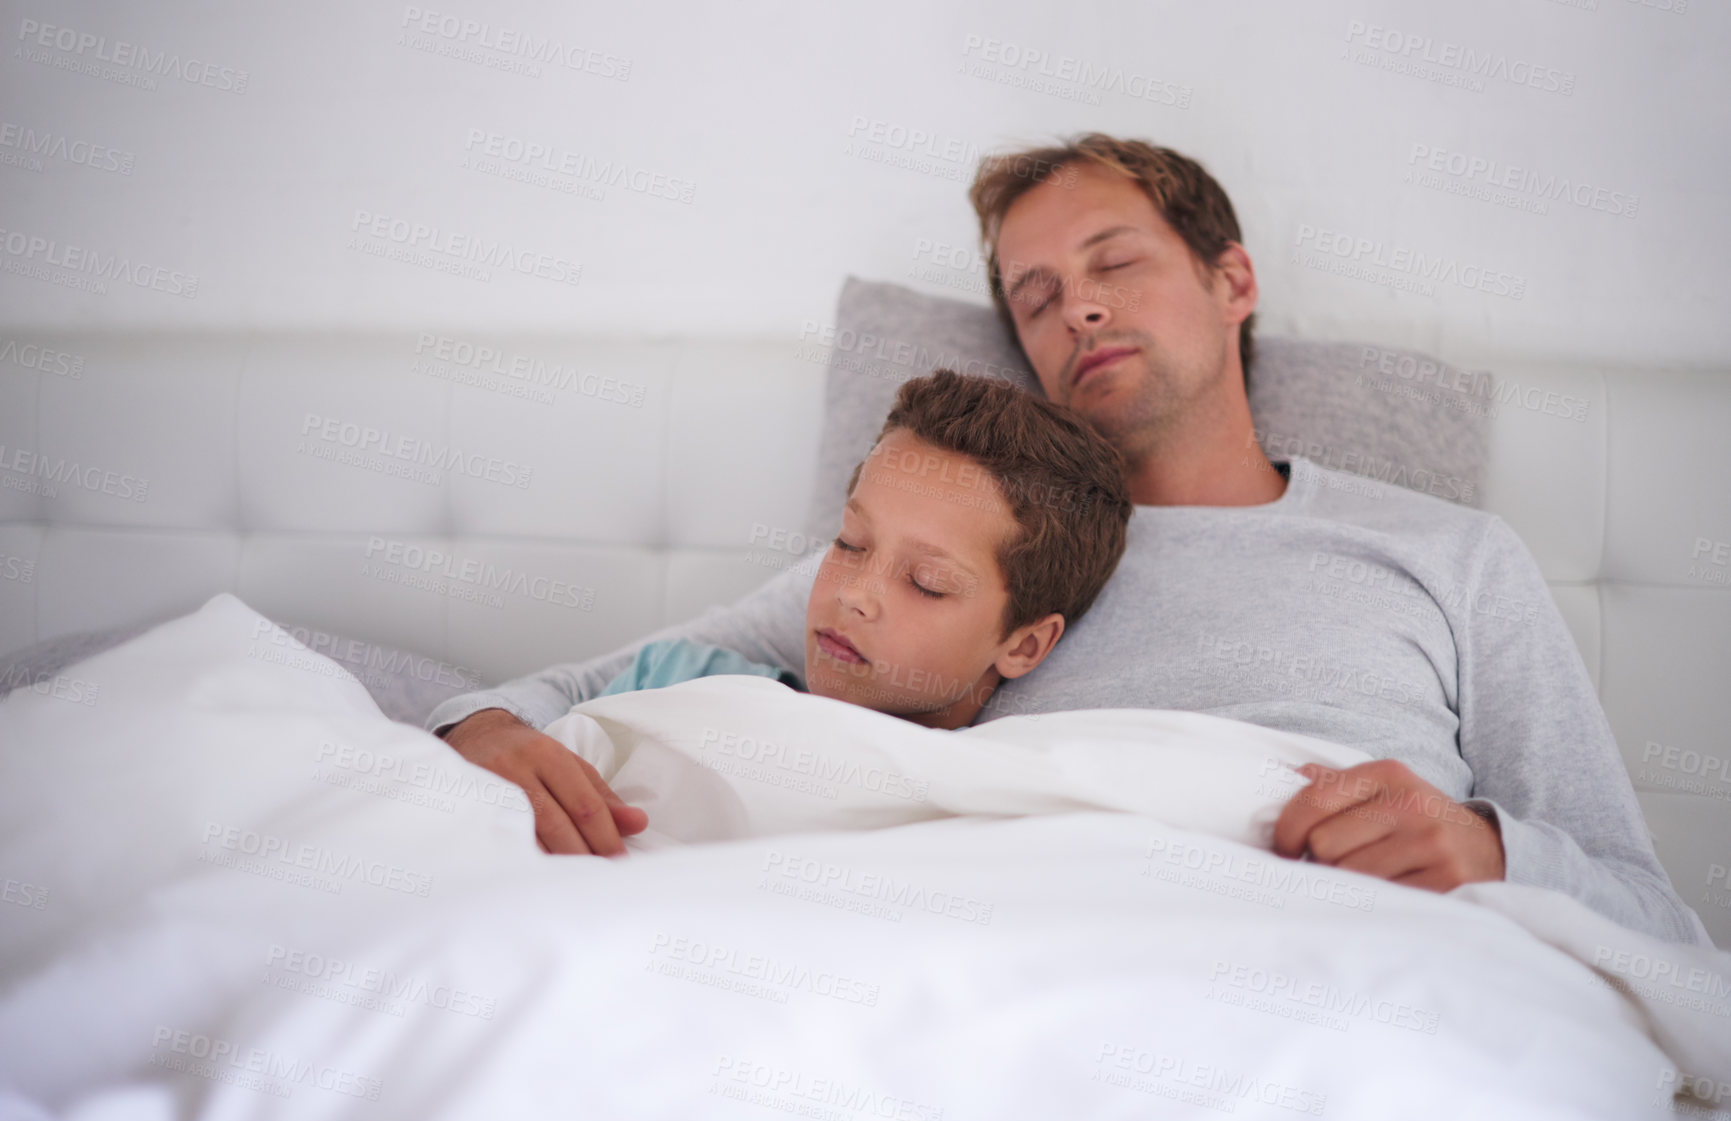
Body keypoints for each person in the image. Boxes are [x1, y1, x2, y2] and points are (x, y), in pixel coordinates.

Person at [431, 133, 1707, 946]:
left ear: (1231, 281)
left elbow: (1650, 917)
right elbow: (594, 696)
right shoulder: (951, 555)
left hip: (1344, 952)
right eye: (1035, 297)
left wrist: (1487, 847)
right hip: (1009, 948)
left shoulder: (1450, 556)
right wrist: (481, 730)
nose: (1076, 304)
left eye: (1116, 262)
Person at [577, 368, 1131, 736]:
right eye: (850, 543)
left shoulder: (987, 805)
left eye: (926, 582)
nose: (855, 592)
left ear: (1025, 643)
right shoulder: (674, 682)